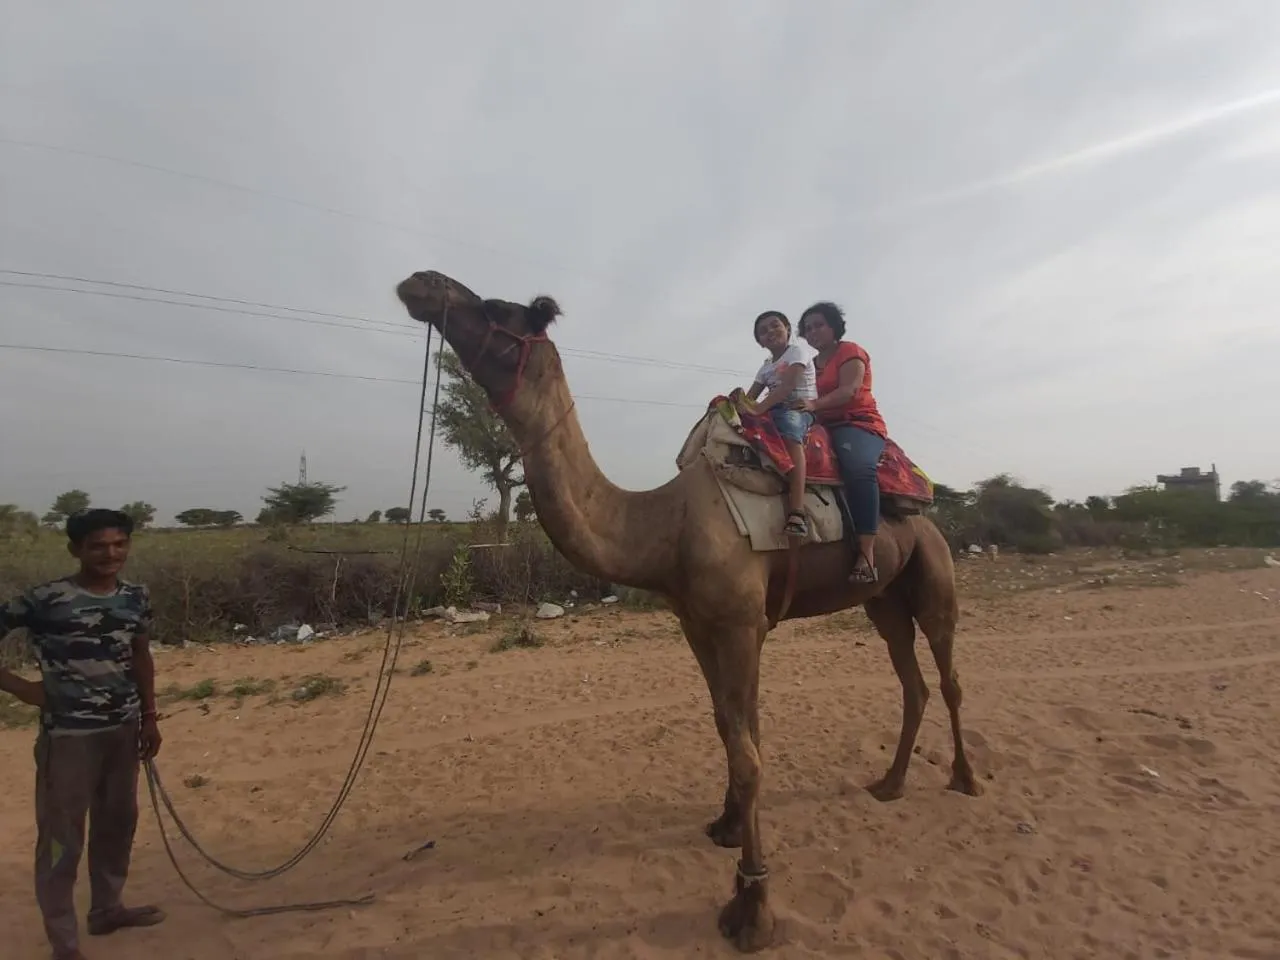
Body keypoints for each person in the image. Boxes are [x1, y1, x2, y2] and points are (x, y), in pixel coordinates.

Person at [0, 508, 165, 960]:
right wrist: (25, 690)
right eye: (97, 546)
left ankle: (107, 909)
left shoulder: (135, 596)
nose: (110, 554)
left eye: (118, 544)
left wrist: (149, 715)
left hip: (123, 730)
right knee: (61, 839)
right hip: (69, 738)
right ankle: (64, 945)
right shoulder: (46, 599)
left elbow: (140, 655)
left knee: (117, 824)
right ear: (76, 549)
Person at [795, 301, 888, 584]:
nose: (813, 332)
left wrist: (812, 403)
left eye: (819, 325)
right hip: (820, 425)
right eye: (808, 328)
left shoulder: (850, 351)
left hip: (856, 423)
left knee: (859, 469)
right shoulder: (810, 365)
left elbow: (850, 390)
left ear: (834, 325)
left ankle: (867, 555)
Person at [746, 309, 817, 538]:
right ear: (759, 342)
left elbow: (787, 387)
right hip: (771, 409)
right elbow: (751, 397)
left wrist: (756, 409)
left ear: (787, 328)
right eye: (763, 331)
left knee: (789, 433)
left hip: (796, 408)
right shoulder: (765, 367)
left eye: (775, 325)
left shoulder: (797, 352)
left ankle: (797, 511)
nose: (770, 332)